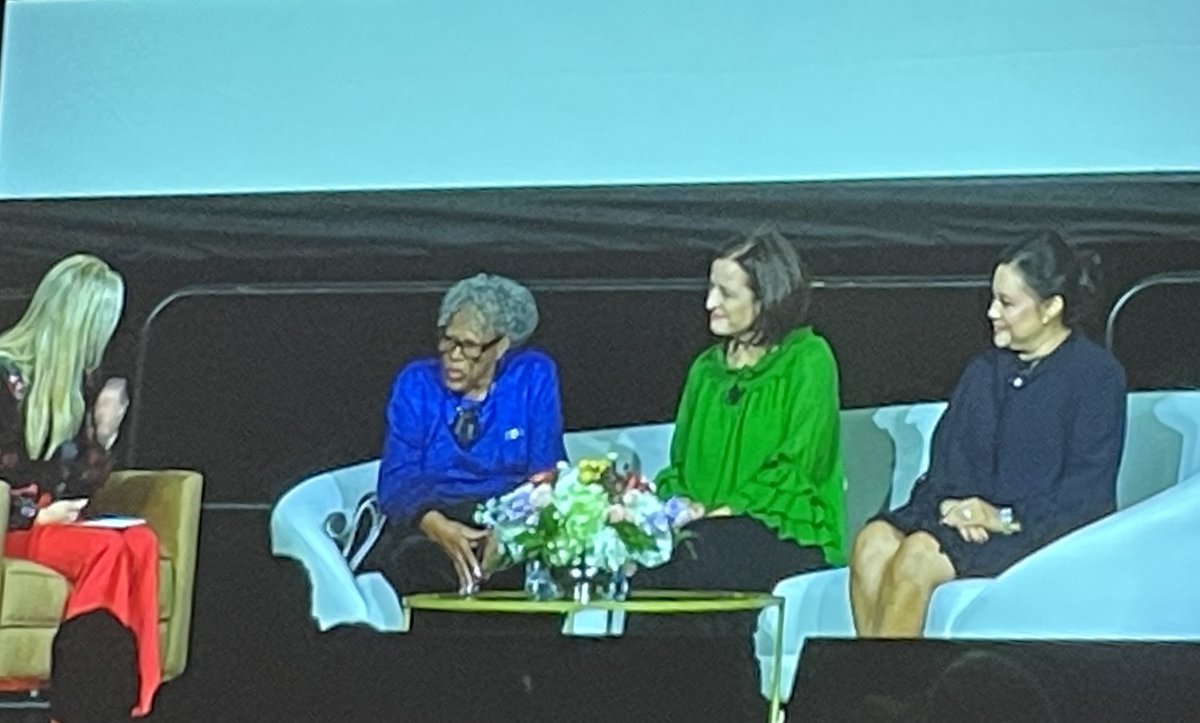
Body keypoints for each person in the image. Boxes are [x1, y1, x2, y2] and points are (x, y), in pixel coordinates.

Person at [849, 231, 1126, 638]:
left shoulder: (1096, 377)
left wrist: (1000, 517)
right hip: (963, 523)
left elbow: (1087, 494)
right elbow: (947, 462)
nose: (992, 312)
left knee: (918, 556)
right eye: (993, 299)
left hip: (1036, 533)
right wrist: (955, 508)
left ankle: (892, 696)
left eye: (1007, 303)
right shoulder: (983, 371)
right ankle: (864, 690)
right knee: (872, 542)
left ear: (1051, 307)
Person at [642, 223, 847, 593]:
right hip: (704, 527)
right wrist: (682, 506)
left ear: (766, 298)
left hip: (782, 527)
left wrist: (725, 511)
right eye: (710, 289)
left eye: (726, 294)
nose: (710, 304)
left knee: (700, 556)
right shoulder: (706, 369)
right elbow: (680, 463)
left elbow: (798, 466)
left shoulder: (809, 359)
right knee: (649, 558)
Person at [0, 254, 160, 722]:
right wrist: (33, 516)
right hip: (14, 523)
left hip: (50, 520)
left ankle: (138, 703)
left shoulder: (75, 386)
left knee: (140, 540)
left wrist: (103, 437)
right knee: (104, 552)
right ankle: (80, 705)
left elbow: (74, 484)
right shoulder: (3, 377)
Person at [366, 273, 566, 596]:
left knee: (547, 561)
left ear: (501, 346)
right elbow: (396, 480)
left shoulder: (533, 375)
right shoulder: (416, 383)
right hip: (433, 520)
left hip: (508, 520)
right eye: (448, 340)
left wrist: (512, 531)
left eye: (469, 346)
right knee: (412, 562)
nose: (453, 356)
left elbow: (546, 471)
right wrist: (437, 526)